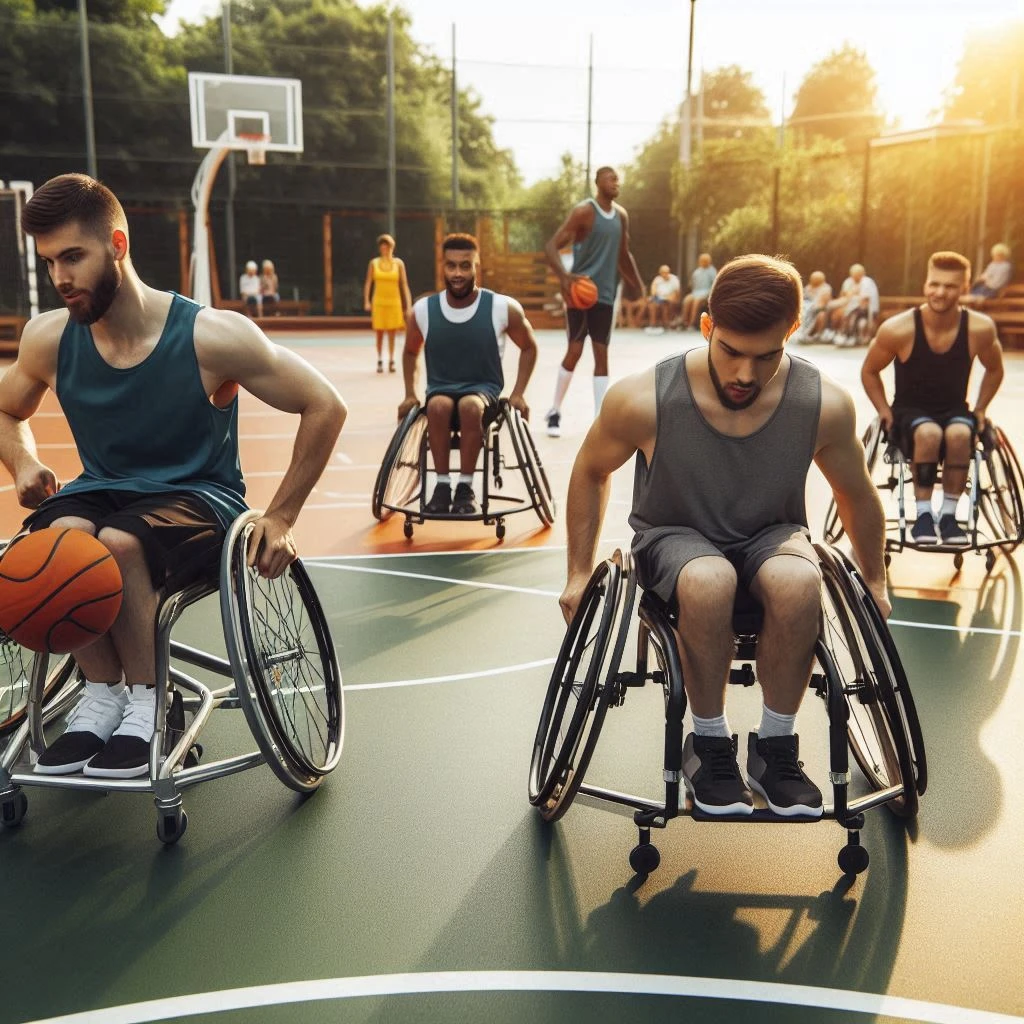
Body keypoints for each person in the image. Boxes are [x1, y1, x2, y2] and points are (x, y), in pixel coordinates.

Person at [0, 174, 347, 778]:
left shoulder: (211, 336)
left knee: (118, 543)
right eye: (50, 261)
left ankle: (149, 703)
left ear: (116, 243)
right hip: (102, 489)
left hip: (199, 499)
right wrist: (23, 461)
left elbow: (325, 404)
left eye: (73, 257)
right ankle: (102, 697)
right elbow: (5, 409)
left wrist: (283, 515)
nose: (60, 278)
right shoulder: (49, 339)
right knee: (55, 546)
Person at [558, 254, 888, 818]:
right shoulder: (644, 398)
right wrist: (577, 573)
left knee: (799, 582)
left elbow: (857, 495)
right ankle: (709, 745)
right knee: (709, 580)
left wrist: (876, 579)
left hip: (771, 534)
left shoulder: (823, 403)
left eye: (765, 357)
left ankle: (775, 747)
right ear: (707, 326)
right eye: (730, 351)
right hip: (674, 535)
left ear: (792, 332)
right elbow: (590, 472)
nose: (743, 374)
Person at [861, 250, 1004, 546]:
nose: (940, 292)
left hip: (954, 409)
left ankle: (949, 516)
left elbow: (994, 369)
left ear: (964, 288)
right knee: (928, 433)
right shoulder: (898, 328)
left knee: (960, 434)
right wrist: (883, 409)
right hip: (909, 411)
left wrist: (980, 409)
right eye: (934, 284)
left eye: (950, 286)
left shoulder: (979, 328)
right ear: (925, 284)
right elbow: (870, 371)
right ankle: (924, 514)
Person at [398, 233, 538, 517]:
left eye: (465, 265)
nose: (458, 273)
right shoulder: (423, 310)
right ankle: (440, 486)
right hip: (440, 389)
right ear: (443, 267)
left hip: (482, 392)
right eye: (451, 266)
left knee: (469, 406)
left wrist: (519, 392)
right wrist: (410, 393)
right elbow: (410, 352)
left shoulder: (502, 307)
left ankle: (465, 487)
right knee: (437, 405)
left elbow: (529, 347)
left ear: (477, 266)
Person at [542, 166, 644, 437]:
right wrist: (564, 277)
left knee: (602, 354)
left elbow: (624, 255)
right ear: (598, 182)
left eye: (618, 179)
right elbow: (551, 245)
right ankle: (554, 410)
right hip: (581, 292)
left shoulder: (621, 216)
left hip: (606, 295)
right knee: (574, 351)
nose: (616, 182)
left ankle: (600, 419)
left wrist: (638, 285)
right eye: (611, 178)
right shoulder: (583, 212)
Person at [364, 233, 412, 374]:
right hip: (378, 301)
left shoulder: (399, 264)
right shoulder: (374, 263)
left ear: (392, 247)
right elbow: (368, 283)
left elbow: (404, 285)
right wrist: (366, 300)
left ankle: (391, 360)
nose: (386, 249)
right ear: (380, 248)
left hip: (394, 302)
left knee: (392, 331)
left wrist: (408, 305)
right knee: (379, 332)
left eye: (388, 247)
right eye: (383, 247)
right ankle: (380, 359)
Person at [824, 263, 879, 347]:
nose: (855, 277)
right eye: (853, 275)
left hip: (867, 308)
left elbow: (864, 302)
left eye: (857, 275)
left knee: (851, 314)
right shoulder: (848, 281)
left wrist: (848, 308)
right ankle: (831, 332)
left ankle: (850, 336)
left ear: (862, 274)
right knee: (831, 308)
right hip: (851, 305)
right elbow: (843, 296)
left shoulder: (867, 282)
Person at [793, 270, 833, 342]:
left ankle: (812, 334)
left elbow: (822, 304)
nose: (811, 280)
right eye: (812, 278)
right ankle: (800, 333)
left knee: (817, 315)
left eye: (814, 279)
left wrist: (811, 308)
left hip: (820, 309)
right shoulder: (809, 287)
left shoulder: (826, 288)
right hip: (807, 307)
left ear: (819, 280)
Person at [681, 253, 717, 330]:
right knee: (687, 300)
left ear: (709, 261)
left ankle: (692, 324)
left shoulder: (712, 271)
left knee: (696, 301)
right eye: (702, 260)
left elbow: (714, 284)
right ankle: (684, 322)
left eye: (705, 260)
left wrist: (709, 294)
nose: (703, 262)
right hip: (696, 292)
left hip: (707, 292)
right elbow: (692, 285)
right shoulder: (697, 272)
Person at [646, 264, 681, 333]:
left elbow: (676, 294)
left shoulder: (674, 279)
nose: (665, 274)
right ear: (660, 273)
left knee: (665, 305)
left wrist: (668, 298)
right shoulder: (657, 279)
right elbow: (653, 291)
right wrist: (656, 296)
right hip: (659, 299)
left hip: (670, 299)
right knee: (653, 305)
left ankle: (666, 325)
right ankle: (652, 325)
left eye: (666, 272)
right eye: (663, 272)